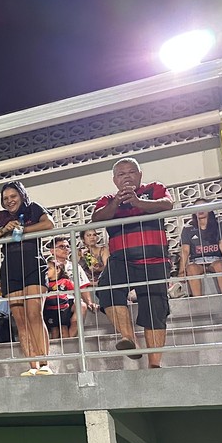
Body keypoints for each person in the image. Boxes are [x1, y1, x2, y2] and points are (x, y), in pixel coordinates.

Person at [91, 157, 174, 368]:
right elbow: (97, 218)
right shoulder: (108, 199)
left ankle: (155, 365)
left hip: (154, 259)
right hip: (121, 260)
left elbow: (167, 204)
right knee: (107, 289)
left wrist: (138, 202)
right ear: (114, 180)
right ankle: (130, 340)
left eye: (131, 172)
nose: (127, 176)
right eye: (121, 174)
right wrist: (118, 202)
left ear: (139, 175)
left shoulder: (154, 189)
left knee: (155, 307)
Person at [0, 181, 55, 375]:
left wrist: (22, 230)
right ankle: (32, 366)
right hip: (10, 268)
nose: (9, 201)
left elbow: (49, 224)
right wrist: (4, 230)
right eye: (5, 198)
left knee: (34, 314)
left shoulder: (33, 209)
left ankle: (44, 363)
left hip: (33, 264)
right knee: (20, 320)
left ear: (21, 195)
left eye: (13, 196)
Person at [178, 200, 222, 296]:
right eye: (197, 208)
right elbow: (185, 250)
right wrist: (181, 271)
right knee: (191, 268)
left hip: (216, 260)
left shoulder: (219, 224)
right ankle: (198, 303)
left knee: (220, 266)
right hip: (197, 262)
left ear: (209, 209)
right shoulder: (188, 228)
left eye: (203, 206)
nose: (200, 210)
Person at [47, 236, 98, 338]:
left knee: (82, 306)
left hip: (69, 300)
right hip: (51, 301)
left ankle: (69, 340)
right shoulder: (46, 267)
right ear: (52, 250)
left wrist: (89, 302)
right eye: (61, 246)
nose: (66, 249)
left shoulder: (75, 266)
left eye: (67, 247)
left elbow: (82, 286)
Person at [43, 258, 74, 340]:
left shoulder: (65, 281)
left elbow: (74, 291)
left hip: (63, 309)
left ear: (57, 270)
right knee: (54, 331)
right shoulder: (45, 284)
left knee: (64, 329)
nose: (46, 271)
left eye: (49, 268)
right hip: (50, 310)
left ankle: (67, 348)